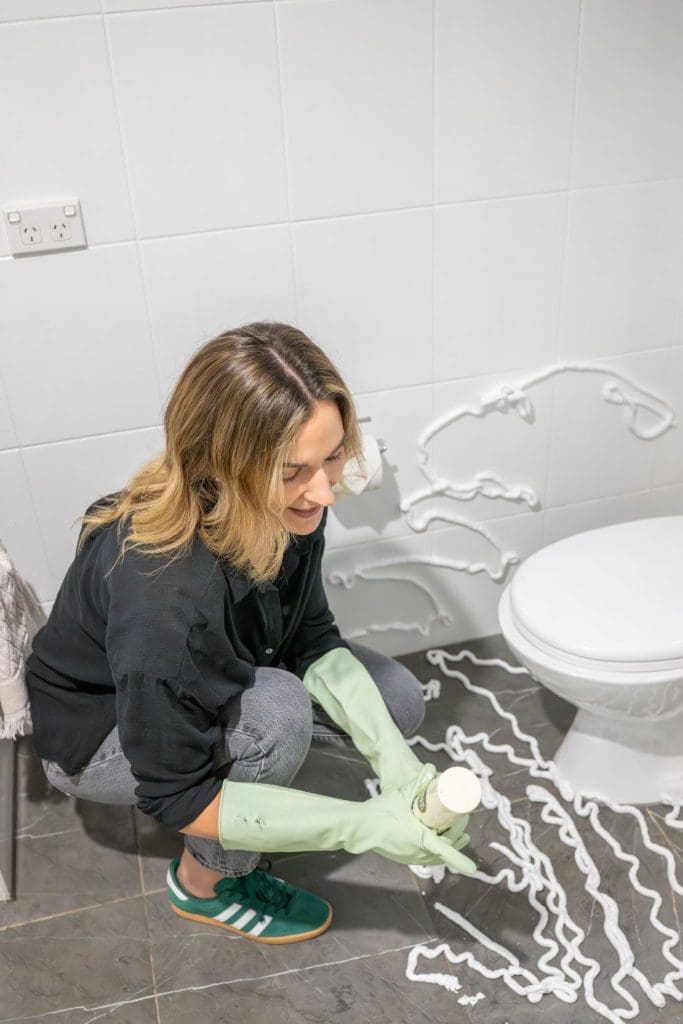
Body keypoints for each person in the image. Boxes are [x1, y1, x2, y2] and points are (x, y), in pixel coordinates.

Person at [26, 321, 475, 946]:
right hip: (100, 732)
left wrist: (397, 769)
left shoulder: (285, 506)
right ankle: (205, 884)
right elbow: (177, 794)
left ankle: (256, 778)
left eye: (334, 455)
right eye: (294, 471)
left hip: (202, 675)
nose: (324, 491)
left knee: (394, 703)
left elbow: (310, 635)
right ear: (224, 464)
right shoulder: (166, 599)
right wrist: (363, 825)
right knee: (278, 714)